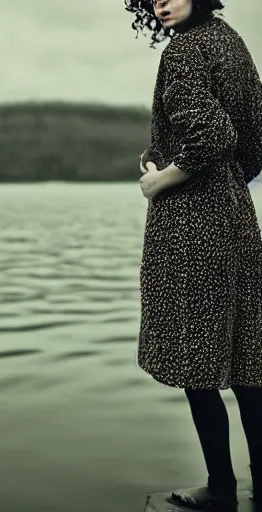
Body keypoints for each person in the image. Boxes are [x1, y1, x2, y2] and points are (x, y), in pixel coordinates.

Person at [124, 0, 262, 510]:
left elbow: (212, 135)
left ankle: (222, 487)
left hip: (192, 226)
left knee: (197, 361)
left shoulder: (183, 51)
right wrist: (175, 153)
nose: (160, 1)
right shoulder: (232, 44)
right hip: (238, 218)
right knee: (248, 360)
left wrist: (160, 178)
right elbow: (252, 141)